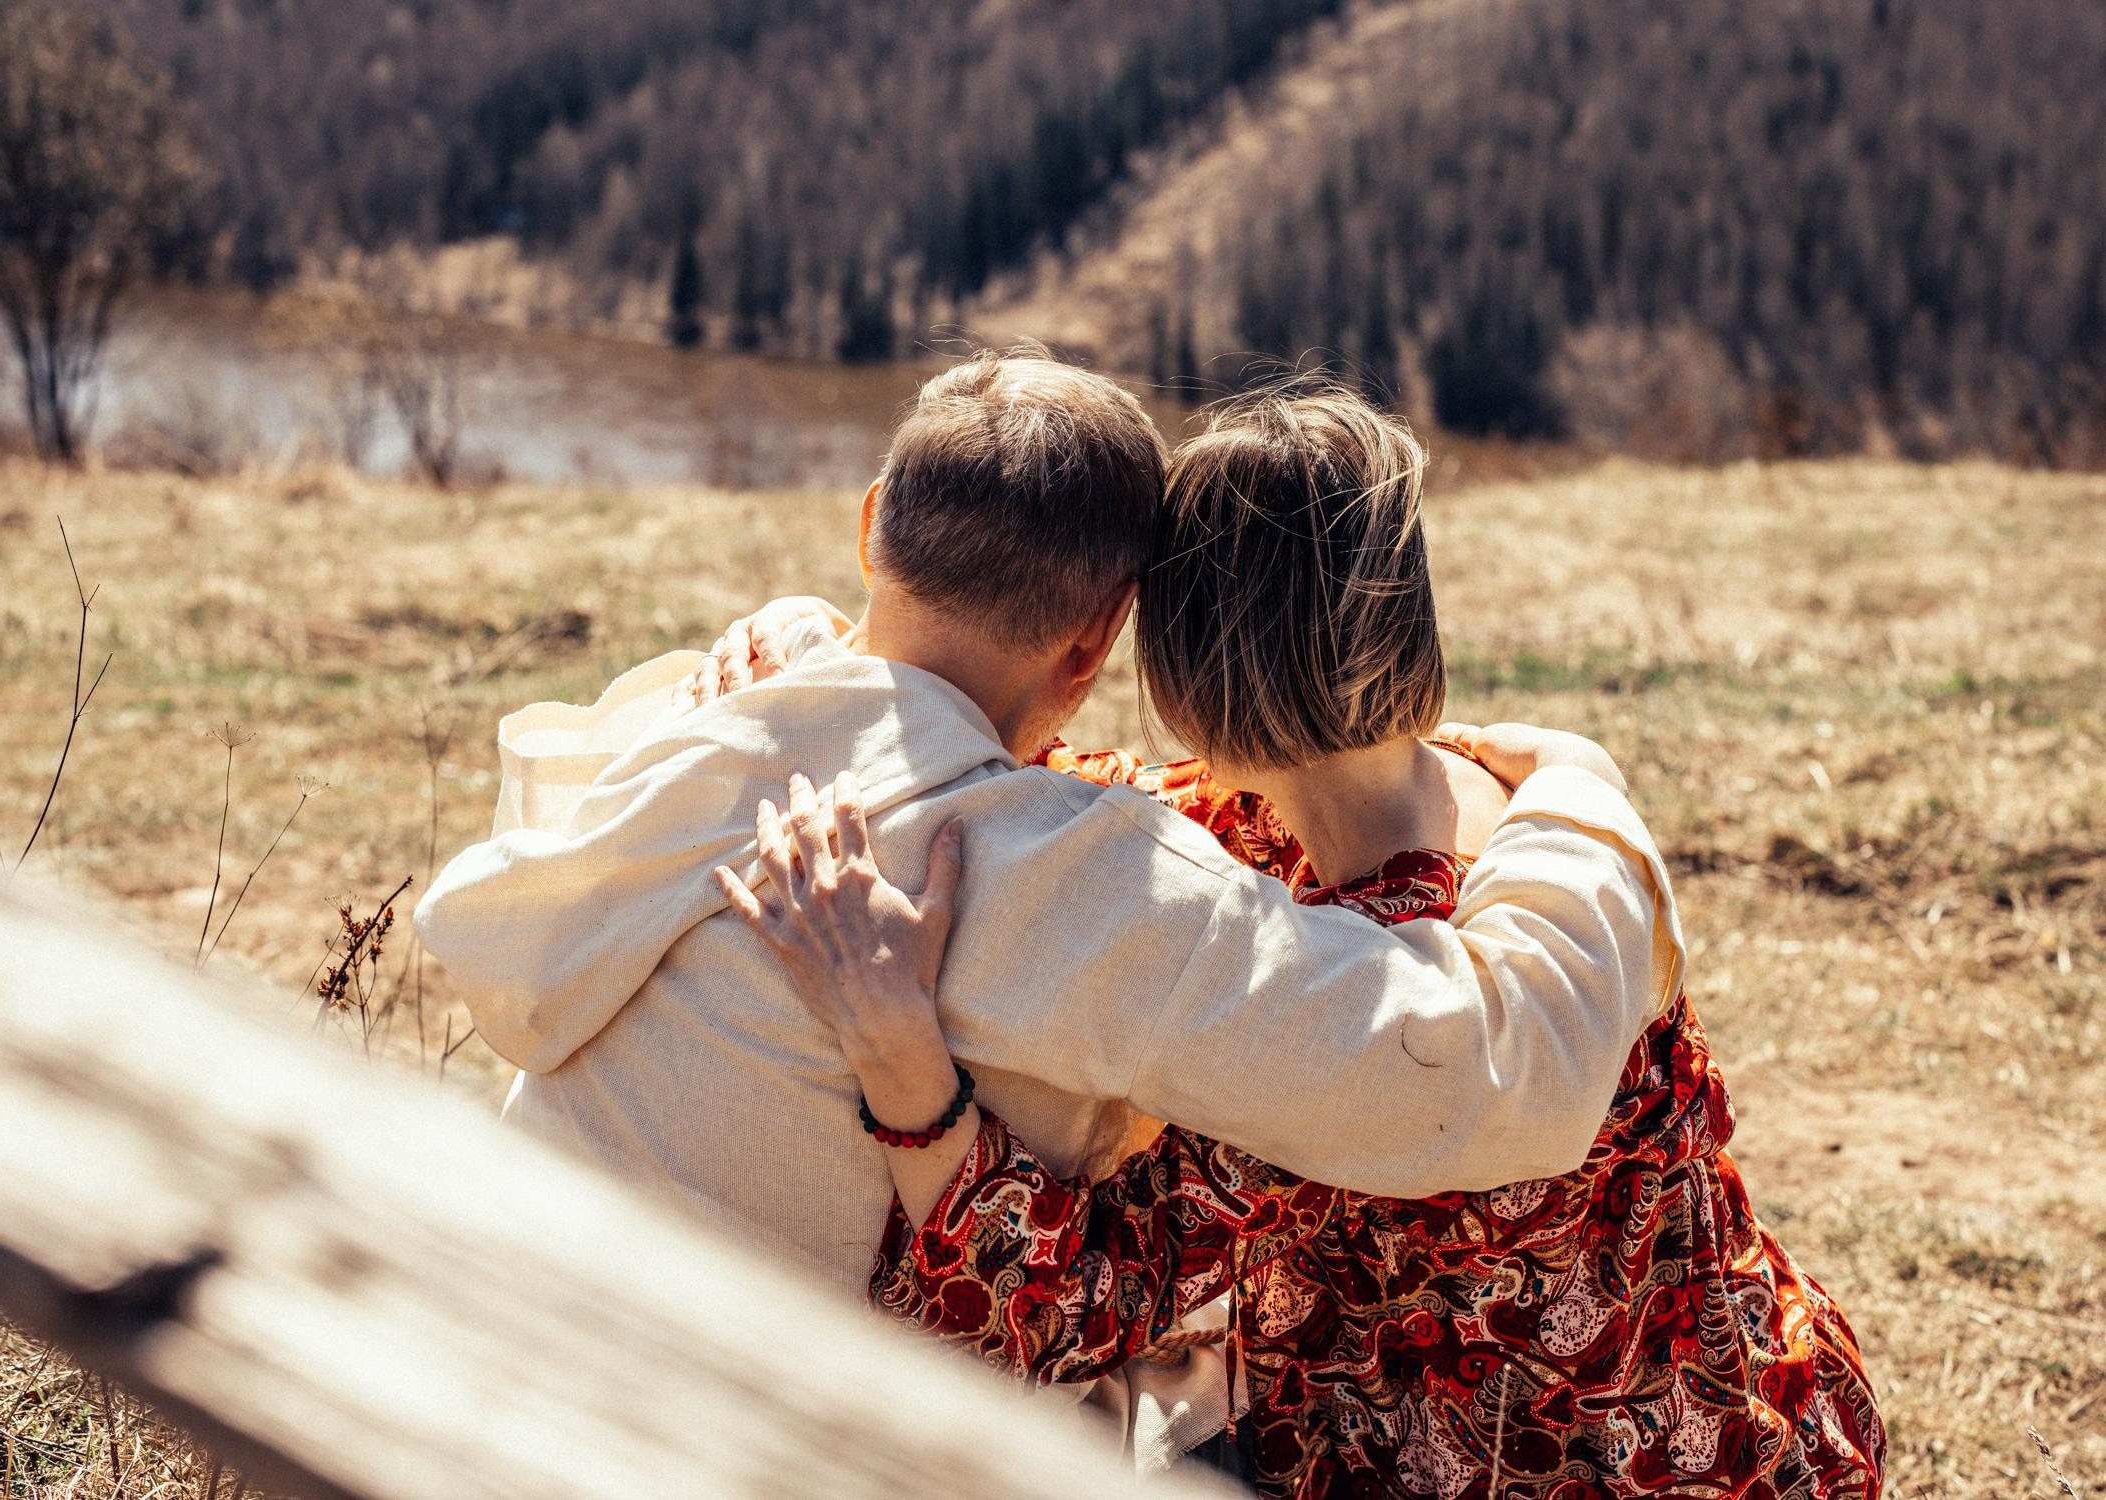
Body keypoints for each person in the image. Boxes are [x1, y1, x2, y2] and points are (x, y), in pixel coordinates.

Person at [414, 351, 1682, 1467]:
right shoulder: (1063, 882)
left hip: (469, 1352)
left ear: (871, 529)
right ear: (1094, 646)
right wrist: (1580, 790)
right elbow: (1489, 1070)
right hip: (729, 1444)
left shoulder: (709, 729)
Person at [722, 381, 1883, 1497]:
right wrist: (810, 648)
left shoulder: (1348, 989)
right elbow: (1002, 765)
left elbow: (1055, 1310)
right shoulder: (1494, 805)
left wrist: (905, 1073)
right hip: (1752, 1401)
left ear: (1182, 669)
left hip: (1534, 1468)